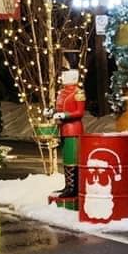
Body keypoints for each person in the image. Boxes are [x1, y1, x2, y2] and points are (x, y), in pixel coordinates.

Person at [47, 67, 85, 206]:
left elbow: (79, 112)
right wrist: (52, 112)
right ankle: (68, 185)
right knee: (67, 158)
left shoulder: (78, 93)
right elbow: (59, 108)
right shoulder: (62, 92)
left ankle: (73, 188)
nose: (62, 78)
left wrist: (64, 115)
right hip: (64, 129)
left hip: (73, 130)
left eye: (65, 76)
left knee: (73, 158)